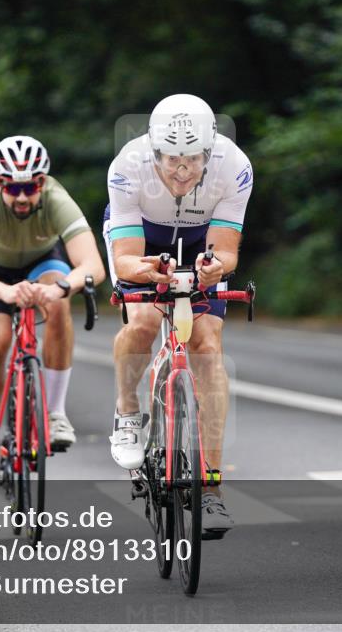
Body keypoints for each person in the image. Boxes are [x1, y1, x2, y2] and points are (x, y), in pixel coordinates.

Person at [104, 94, 253, 538]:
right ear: (154, 152)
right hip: (141, 239)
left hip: (201, 239)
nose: (182, 170)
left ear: (210, 152)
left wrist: (215, 269)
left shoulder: (235, 166)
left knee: (207, 346)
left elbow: (225, 250)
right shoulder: (126, 167)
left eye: (192, 160)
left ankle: (210, 487)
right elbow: (128, 259)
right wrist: (147, 272)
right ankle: (128, 411)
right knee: (145, 322)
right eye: (172, 160)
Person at [0, 135, 105, 491]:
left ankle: (54, 414)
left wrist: (60, 288)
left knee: (57, 303)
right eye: (13, 188)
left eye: (31, 187)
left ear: (42, 183)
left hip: (43, 263)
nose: (22, 197)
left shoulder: (56, 198)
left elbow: (93, 265)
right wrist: (5, 291)